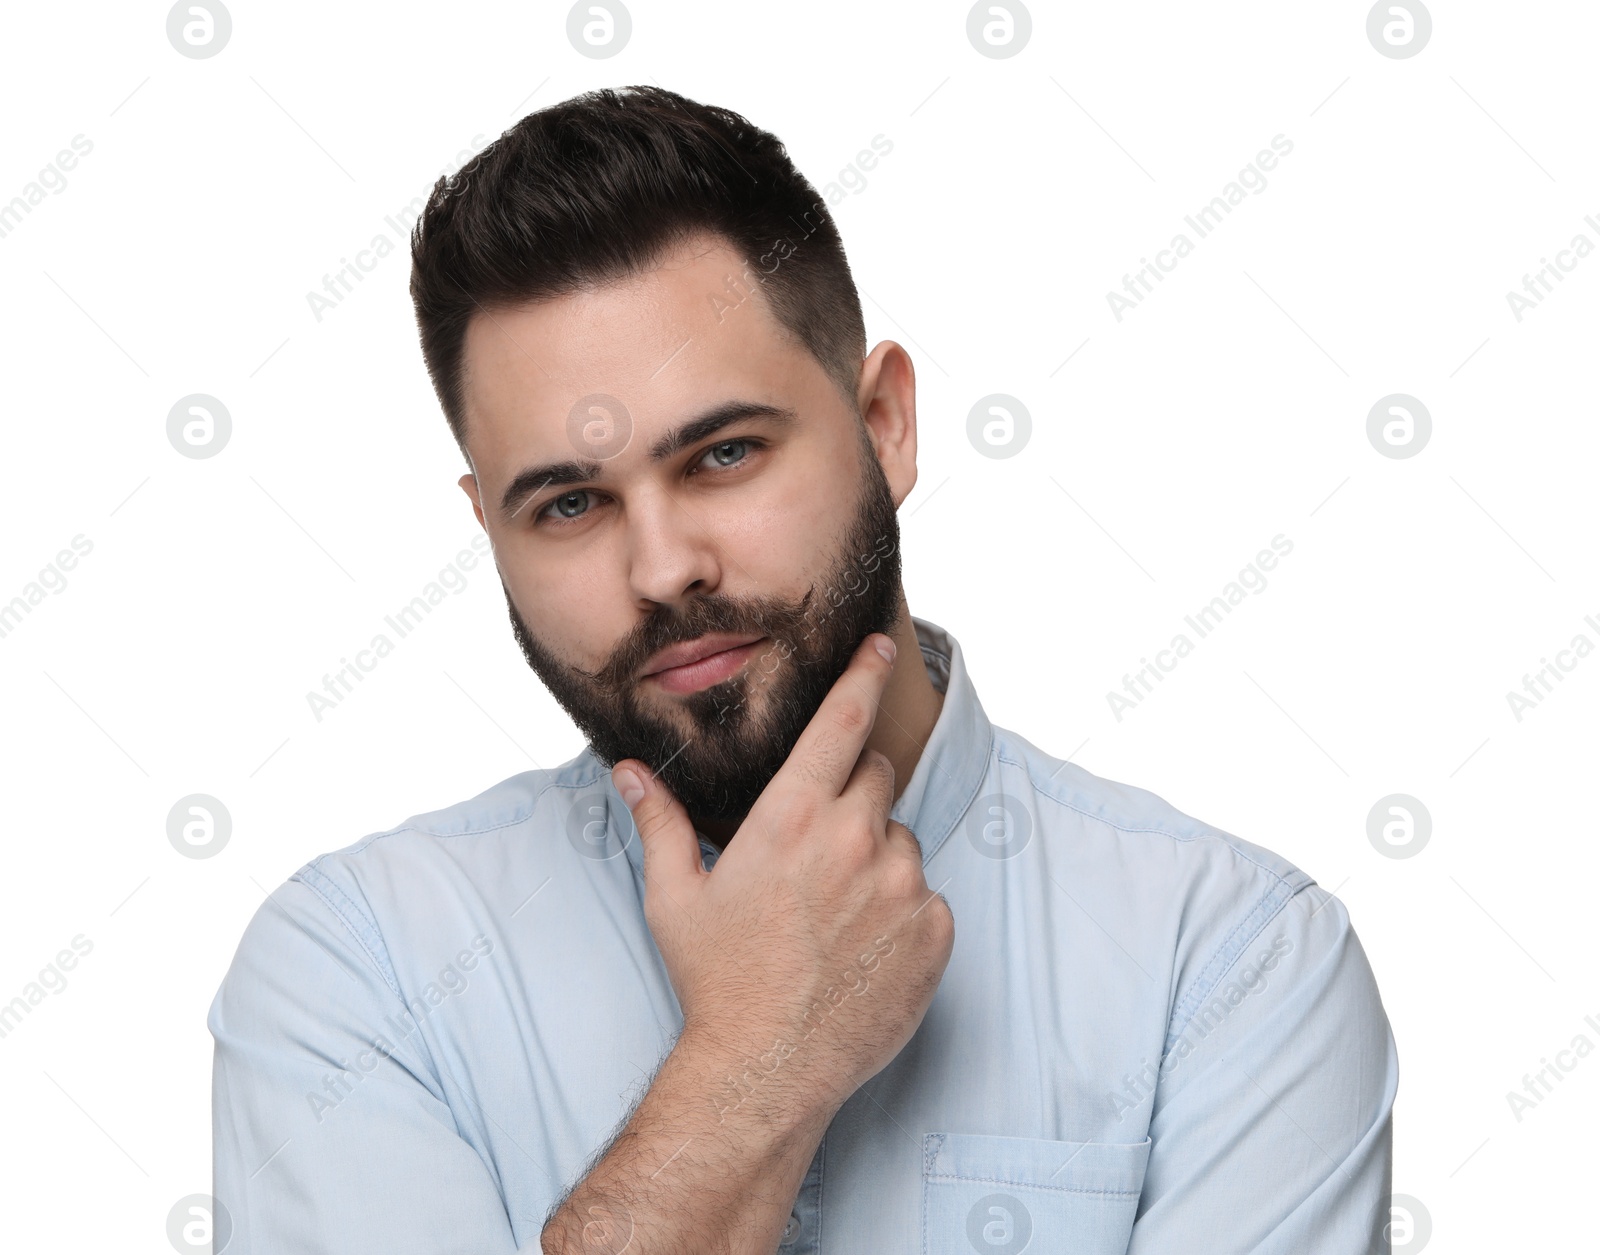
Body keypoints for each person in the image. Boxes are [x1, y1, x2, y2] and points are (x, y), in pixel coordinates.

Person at [210, 85, 1397, 1254]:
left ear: (884, 423)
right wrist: (755, 1064)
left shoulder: (1235, 968)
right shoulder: (353, 977)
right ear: (490, 530)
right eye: (569, 503)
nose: (664, 566)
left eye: (724, 453)